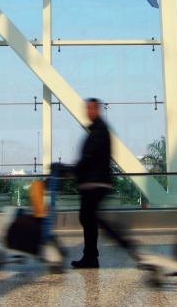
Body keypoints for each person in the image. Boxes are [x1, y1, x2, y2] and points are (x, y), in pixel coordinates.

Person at [70, 98, 131, 269]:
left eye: (90, 108)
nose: (88, 112)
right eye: (86, 108)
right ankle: (91, 256)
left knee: (90, 217)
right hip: (95, 181)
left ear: (97, 110)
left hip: (95, 182)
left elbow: (89, 157)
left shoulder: (99, 131)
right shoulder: (98, 129)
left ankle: (116, 244)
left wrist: (73, 170)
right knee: (89, 218)